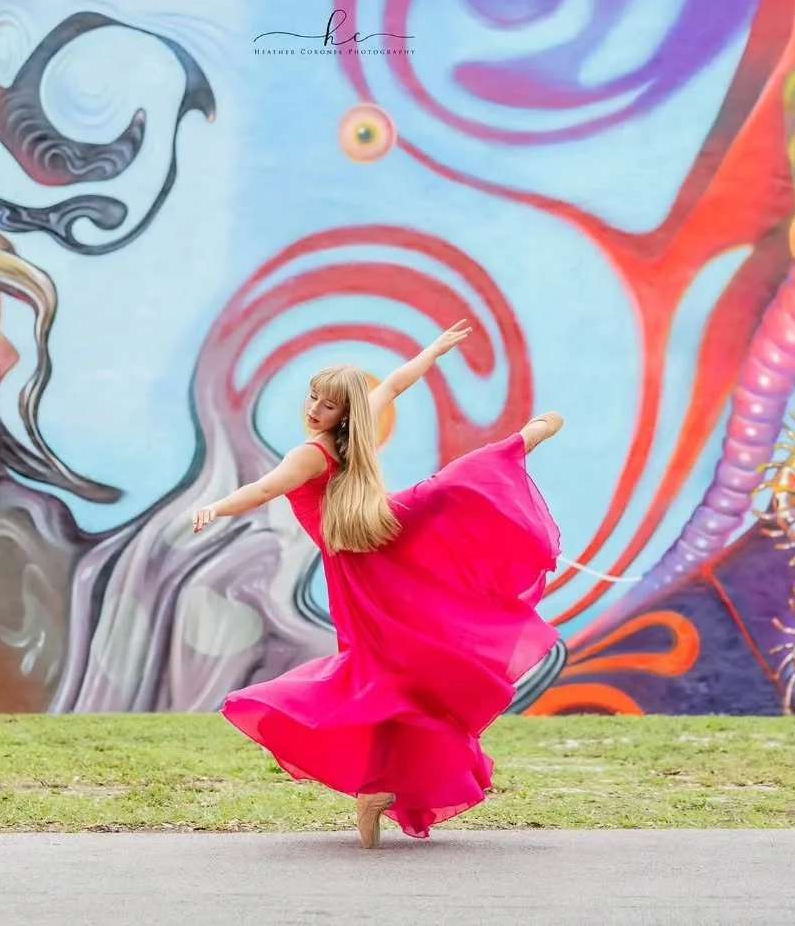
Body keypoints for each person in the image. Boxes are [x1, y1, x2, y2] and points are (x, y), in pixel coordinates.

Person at [191, 320, 565, 847]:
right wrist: (430, 352)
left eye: (326, 404)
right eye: (313, 398)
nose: (314, 409)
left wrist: (216, 507)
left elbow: (264, 488)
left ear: (344, 415)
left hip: (364, 563)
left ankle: (527, 437)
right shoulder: (344, 444)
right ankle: (380, 789)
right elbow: (391, 385)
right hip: (374, 551)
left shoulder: (312, 453)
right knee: (391, 670)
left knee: (448, 497)